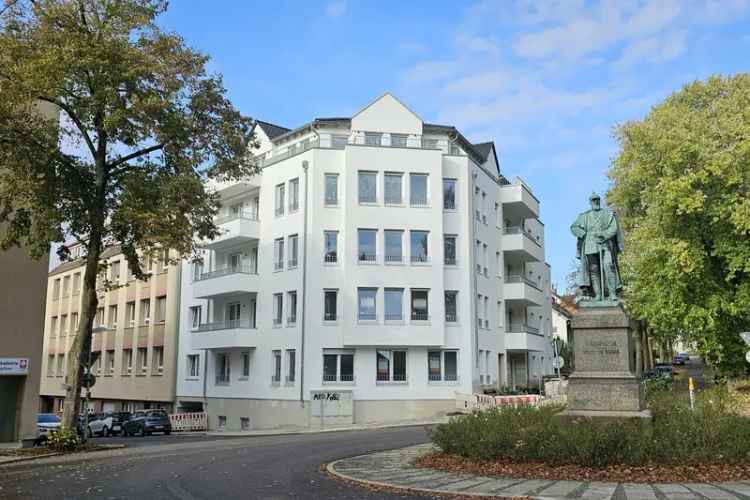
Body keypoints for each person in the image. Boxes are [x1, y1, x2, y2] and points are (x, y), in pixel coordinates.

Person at [570, 192, 624, 302]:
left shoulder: (608, 214)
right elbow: (574, 227)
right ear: (590, 202)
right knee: (593, 270)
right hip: (590, 245)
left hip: (605, 244)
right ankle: (598, 294)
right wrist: (583, 234)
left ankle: (612, 294)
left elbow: (613, 228)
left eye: (597, 200)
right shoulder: (584, 216)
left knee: (608, 266)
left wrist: (604, 235)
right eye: (594, 200)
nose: (596, 202)